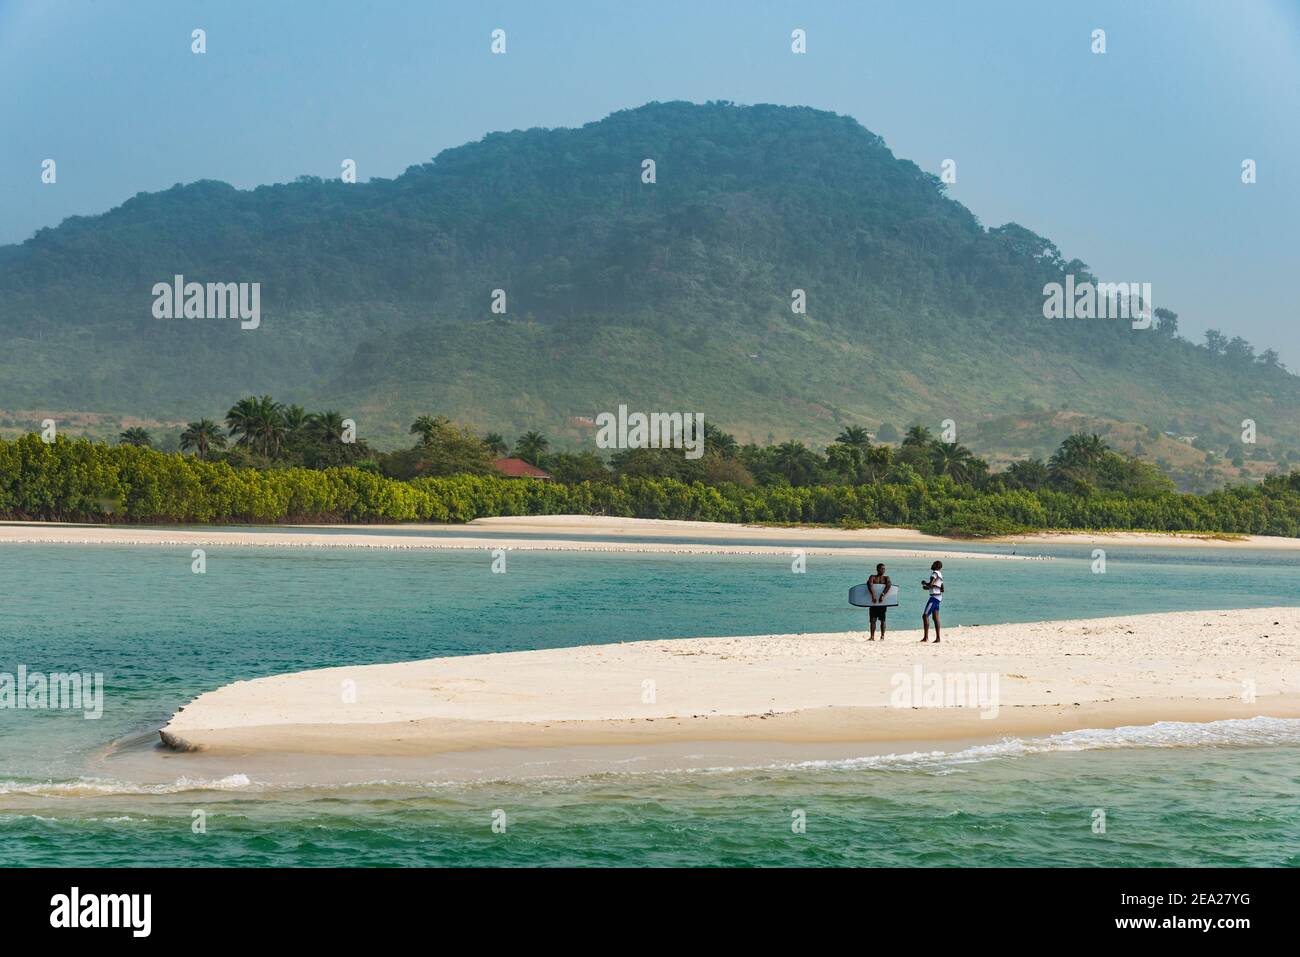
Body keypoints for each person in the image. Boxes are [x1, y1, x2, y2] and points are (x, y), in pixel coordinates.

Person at [865, 563, 891, 641]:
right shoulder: (872, 577)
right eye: (882, 569)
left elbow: (889, 585)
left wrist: (882, 594)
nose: (883, 570)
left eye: (884, 569)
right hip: (873, 602)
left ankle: (882, 636)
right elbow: (869, 584)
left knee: (883, 620)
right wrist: (873, 595)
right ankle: (872, 637)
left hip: (882, 603)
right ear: (877, 569)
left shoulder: (886, 578)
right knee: (873, 620)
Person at [920, 560, 944, 643]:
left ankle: (925, 637)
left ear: (936, 566)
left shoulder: (934, 573)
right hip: (939, 597)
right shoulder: (940, 575)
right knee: (935, 618)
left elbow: (931, 584)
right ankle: (938, 638)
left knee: (925, 615)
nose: (932, 565)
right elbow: (942, 589)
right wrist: (928, 587)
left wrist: (924, 583)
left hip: (933, 598)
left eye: (933, 564)